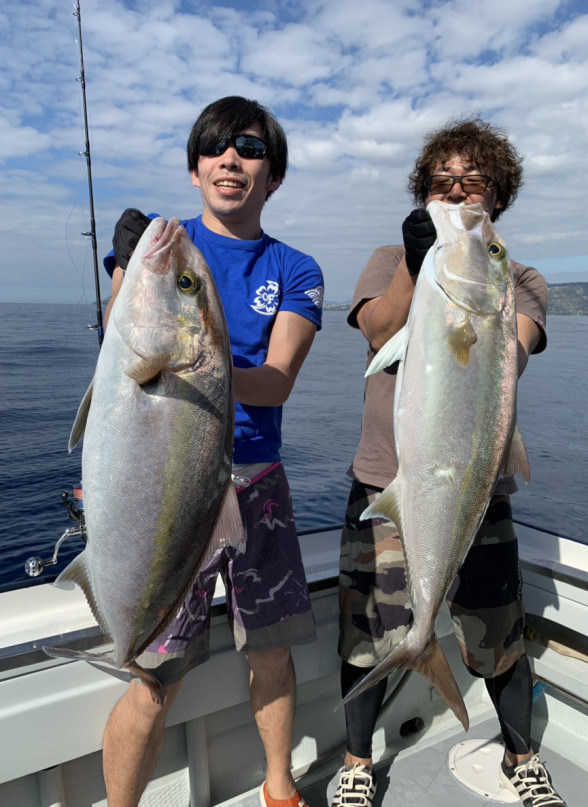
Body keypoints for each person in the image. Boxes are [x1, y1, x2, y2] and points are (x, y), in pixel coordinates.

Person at [333, 119, 567, 807]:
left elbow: (512, 350)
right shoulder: (388, 258)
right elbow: (378, 329)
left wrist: (473, 274)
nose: (459, 190)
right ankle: (355, 763)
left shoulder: (515, 277)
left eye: (476, 181)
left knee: (497, 636)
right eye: (444, 180)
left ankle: (520, 757)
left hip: (476, 488)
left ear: (498, 198)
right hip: (385, 483)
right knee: (365, 634)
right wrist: (415, 262)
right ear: (422, 190)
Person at [101, 96, 324, 807]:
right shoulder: (159, 251)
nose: (232, 159)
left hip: (257, 483)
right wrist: (126, 270)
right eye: (216, 147)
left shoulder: (295, 268)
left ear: (273, 175)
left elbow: (277, 382)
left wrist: (201, 361)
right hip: (172, 486)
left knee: (271, 648)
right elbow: (121, 347)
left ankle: (279, 784)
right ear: (196, 169)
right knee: (151, 672)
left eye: (250, 149)